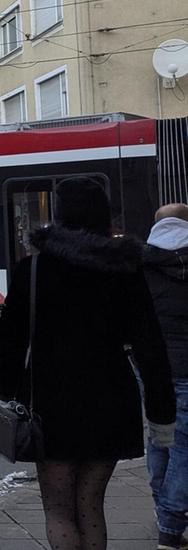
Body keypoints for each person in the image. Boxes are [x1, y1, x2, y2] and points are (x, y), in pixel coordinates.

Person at [0, 177, 176, 550]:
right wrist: (161, 414)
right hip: (111, 400)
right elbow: (150, 346)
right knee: (91, 505)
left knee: (59, 510)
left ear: (58, 216)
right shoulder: (124, 271)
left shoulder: (32, 271)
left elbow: (11, 342)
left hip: (50, 402)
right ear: (103, 217)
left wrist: (7, 394)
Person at [144, 203, 188, 550]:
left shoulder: (141, 265)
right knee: (185, 447)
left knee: (161, 439)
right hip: (186, 369)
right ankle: (170, 528)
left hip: (152, 369)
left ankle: (164, 510)